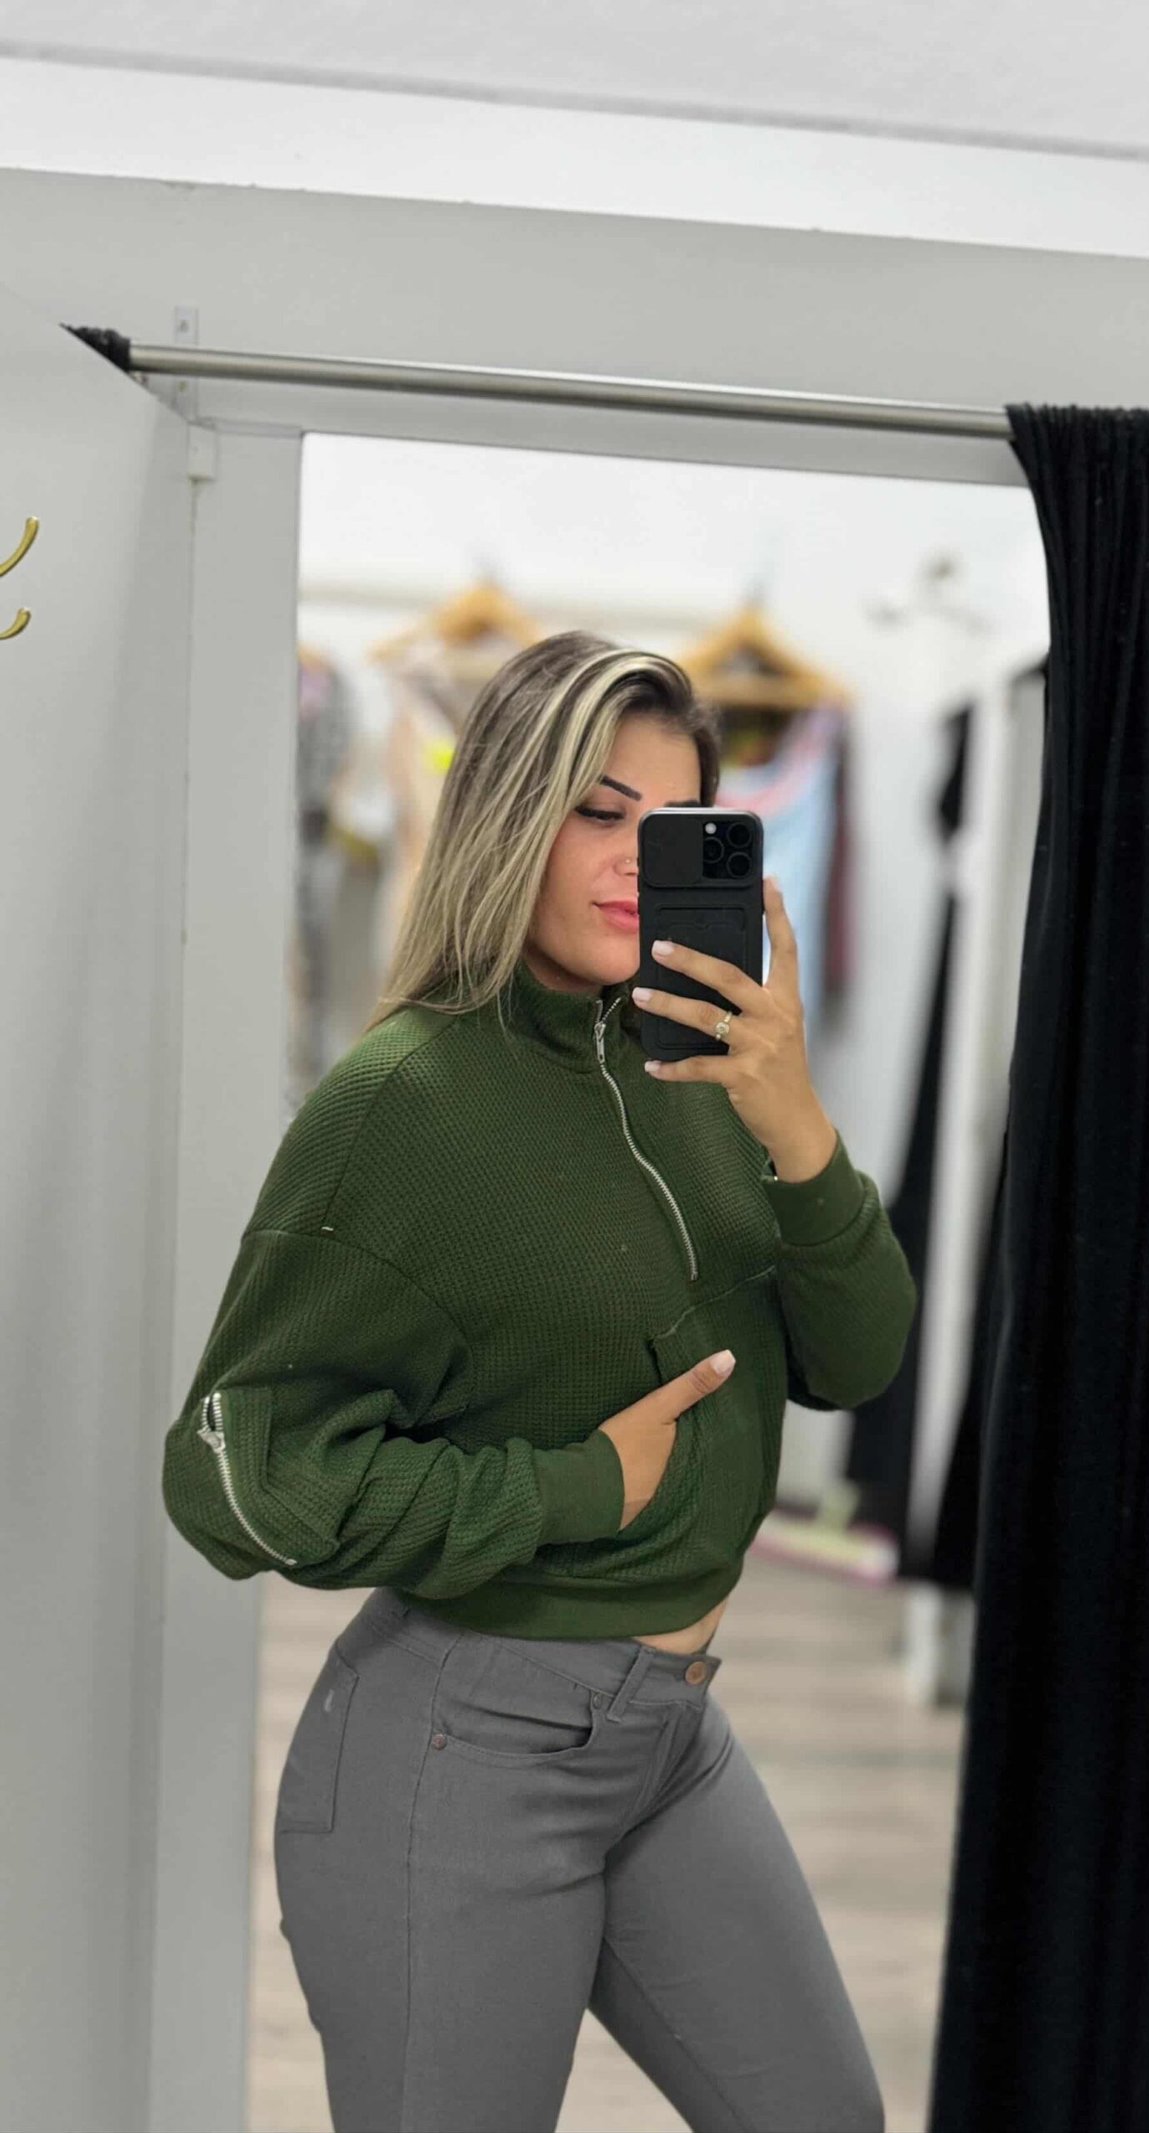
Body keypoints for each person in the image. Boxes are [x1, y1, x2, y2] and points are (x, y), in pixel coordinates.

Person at [160, 631, 917, 2133]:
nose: (638, 861)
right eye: (597, 812)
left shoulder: (705, 1072)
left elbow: (858, 1357)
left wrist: (800, 1128)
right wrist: (572, 1486)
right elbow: (233, 1472)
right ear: (511, 812)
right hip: (462, 1747)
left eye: (677, 824)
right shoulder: (406, 1100)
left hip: (666, 1735)